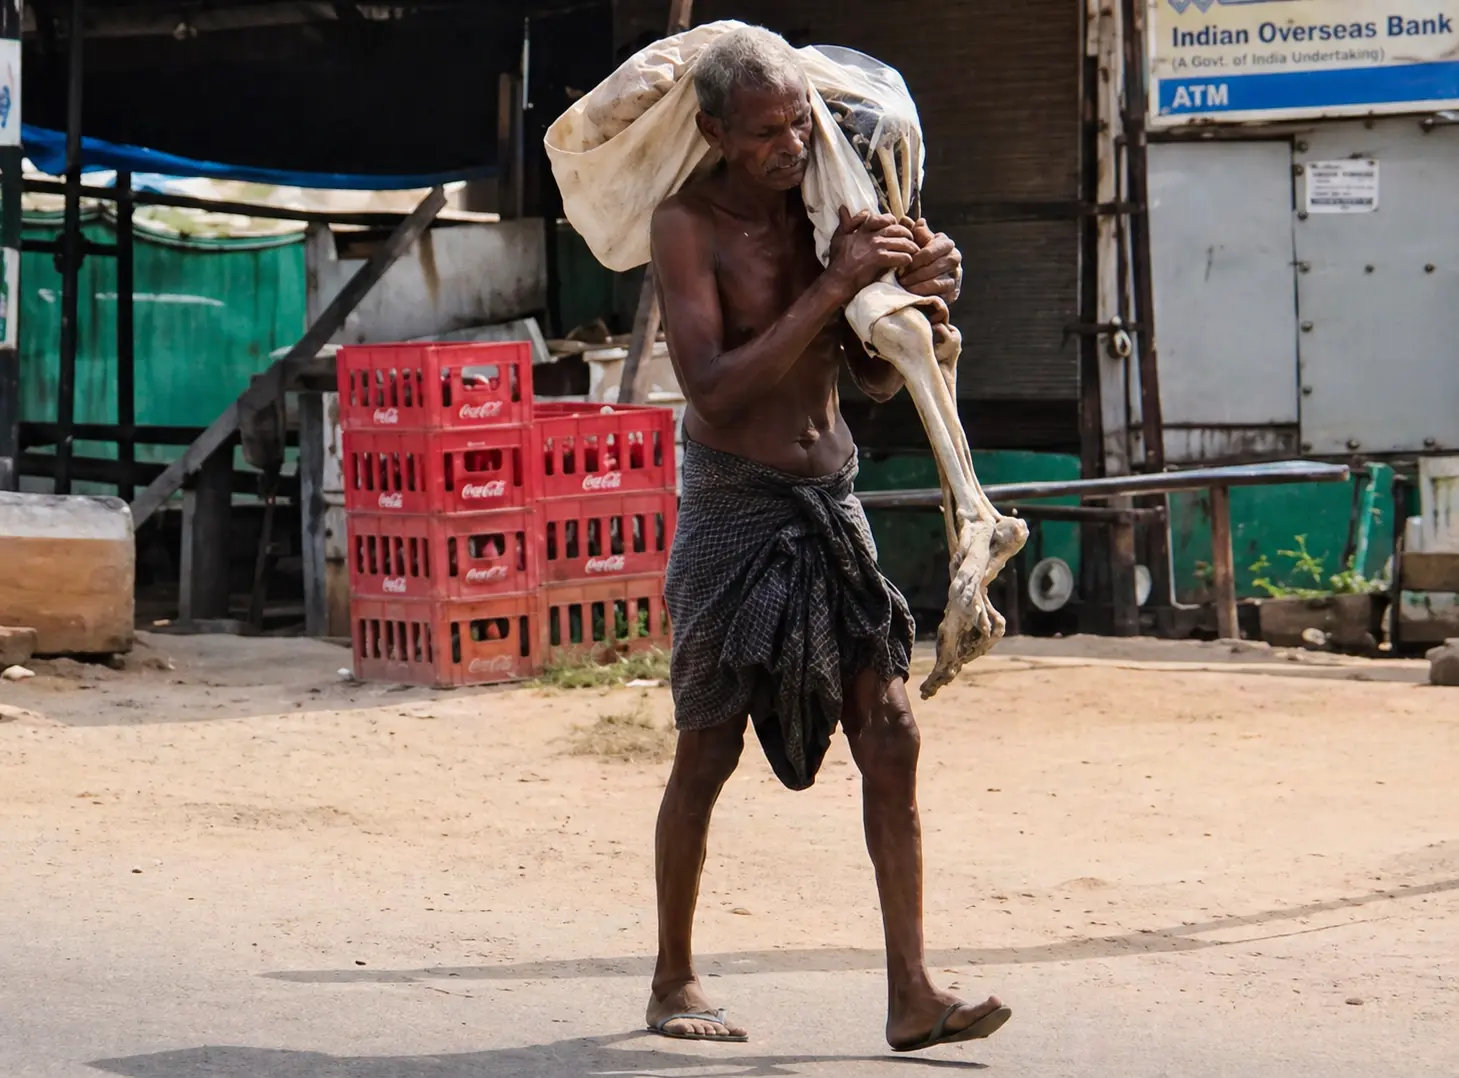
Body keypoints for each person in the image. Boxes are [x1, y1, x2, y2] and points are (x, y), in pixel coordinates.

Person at [644, 25, 1010, 1054]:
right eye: (765, 132)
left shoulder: (825, 215)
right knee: (708, 746)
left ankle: (911, 993)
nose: (790, 144)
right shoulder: (687, 226)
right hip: (732, 504)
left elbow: (874, 377)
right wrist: (835, 283)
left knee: (889, 727)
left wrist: (924, 293)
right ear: (714, 131)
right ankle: (672, 977)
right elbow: (712, 385)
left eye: (798, 121)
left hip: (828, 494)